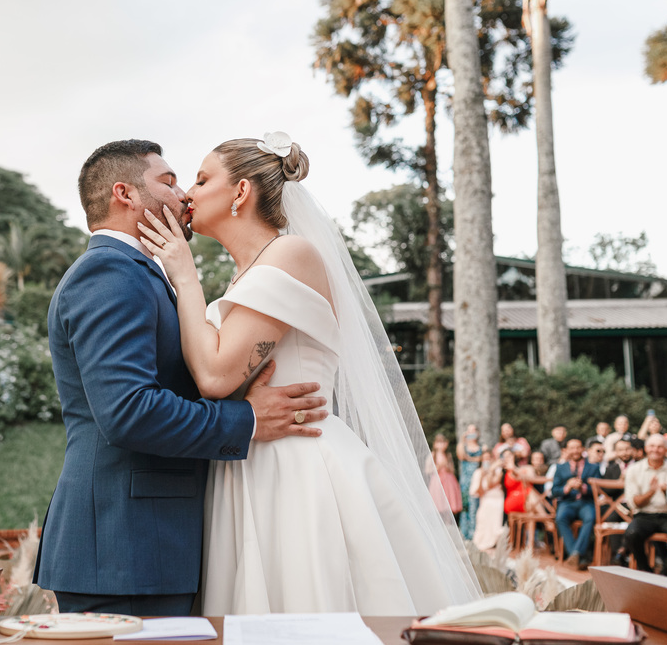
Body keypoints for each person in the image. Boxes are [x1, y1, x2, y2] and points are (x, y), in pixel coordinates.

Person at [140, 135, 479, 615]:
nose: (188, 194)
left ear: (240, 192)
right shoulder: (246, 275)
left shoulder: (291, 254)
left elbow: (215, 377)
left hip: (297, 467)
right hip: (249, 463)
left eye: (200, 179)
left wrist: (184, 274)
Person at [35, 139, 338, 617]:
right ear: (126, 194)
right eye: (170, 182)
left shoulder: (141, 274)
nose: (184, 196)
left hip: (152, 541)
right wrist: (248, 419)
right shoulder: (111, 274)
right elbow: (130, 411)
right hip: (125, 546)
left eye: (193, 181)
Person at [622, 433, 667, 573]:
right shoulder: (634, 470)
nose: (656, 450)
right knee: (631, 534)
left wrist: (666, 492)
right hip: (644, 515)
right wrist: (651, 492)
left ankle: (666, 571)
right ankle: (645, 570)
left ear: (665, 449)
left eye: (659, 447)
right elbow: (635, 503)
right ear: (646, 448)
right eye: (652, 446)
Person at [550, 436, 598, 569]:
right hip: (567, 502)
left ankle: (574, 554)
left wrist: (583, 487)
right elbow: (554, 491)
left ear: (583, 449)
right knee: (560, 518)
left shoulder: (593, 467)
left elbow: (599, 490)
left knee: (590, 518)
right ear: (566, 450)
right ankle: (576, 554)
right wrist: (568, 487)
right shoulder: (560, 468)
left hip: (586, 502)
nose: (575, 450)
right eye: (572, 448)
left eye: (578, 447)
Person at [471, 449, 506, 552]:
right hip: (485, 500)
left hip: (498, 500)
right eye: (484, 459)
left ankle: (494, 543)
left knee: (496, 523)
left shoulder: (498, 471)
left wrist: (491, 471)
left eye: (489, 458)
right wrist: (482, 476)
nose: (487, 460)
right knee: (482, 520)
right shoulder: (478, 472)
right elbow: (479, 492)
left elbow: (492, 484)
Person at [457, 425, 482, 540]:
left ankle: (475, 533)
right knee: (466, 506)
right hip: (466, 480)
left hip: (478, 480)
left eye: (473, 430)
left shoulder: (481, 447)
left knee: (476, 507)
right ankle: (465, 533)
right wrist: (463, 440)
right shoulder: (463, 446)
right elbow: (461, 456)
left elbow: (484, 460)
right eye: (469, 430)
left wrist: (471, 459)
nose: (471, 432)